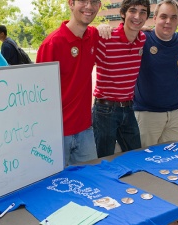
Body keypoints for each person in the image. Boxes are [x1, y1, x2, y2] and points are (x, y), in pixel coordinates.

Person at [36, 0, 101, 165]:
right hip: (57, 133)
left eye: (94, 2)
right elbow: (39, 94)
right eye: (83, 1)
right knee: (56, 187)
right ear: (71, 3)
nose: (89, 6)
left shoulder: (93, 36)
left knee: (90, 182)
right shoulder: (52, 44)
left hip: (85, 129)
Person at [133, 0, 178, 148]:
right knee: (144, 161)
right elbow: (118, 36)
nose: (168, 21)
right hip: (146, 114)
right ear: (154, 18)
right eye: (163, 17)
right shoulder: (141, 39)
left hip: (175, 115)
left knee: (173, 160)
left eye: (173, 17)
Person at [92, 0, 150, 157]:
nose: (137, 16)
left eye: (143, 12)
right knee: (104, 159)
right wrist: (98, 27)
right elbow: (84, 37)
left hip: (128, 108)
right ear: (123, 14)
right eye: (133, 11)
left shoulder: (142, 39)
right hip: (105, 110)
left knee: (136, 156)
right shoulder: (106, 38)